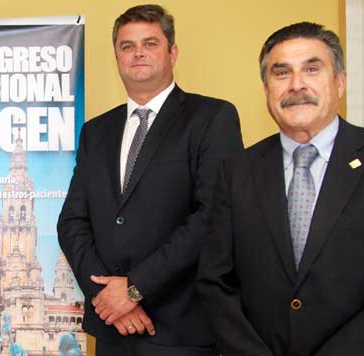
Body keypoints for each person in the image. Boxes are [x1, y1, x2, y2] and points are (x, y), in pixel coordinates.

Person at [196, 22, 364, 355]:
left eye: (312, 69)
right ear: (266, 88)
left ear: (339, 82)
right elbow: (215, 281)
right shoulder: (237, 170)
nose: (297, 85)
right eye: (281, 73)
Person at [57, 4, 243, 355]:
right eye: (127, 46)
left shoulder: (211, 118)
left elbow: (213, 216)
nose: (138, 52)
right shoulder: (96, 132)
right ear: (117, 57)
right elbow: (71, 223)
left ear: (172, 52)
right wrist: (106, 296)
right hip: (112, 329)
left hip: (179, 329)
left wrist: (134, 289)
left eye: (150, 43)